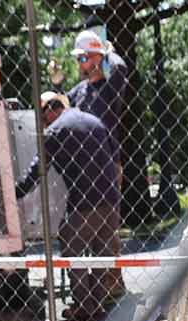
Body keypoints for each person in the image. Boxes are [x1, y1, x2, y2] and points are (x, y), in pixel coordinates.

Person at [16, 93, 123, 321]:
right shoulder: (96, 121)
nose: (43, 123)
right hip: (111, 202)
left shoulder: (56, 131)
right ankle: (97, 304)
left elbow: (37, 170)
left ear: (48, 111)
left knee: (72, 246)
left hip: (84, 204)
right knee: (101, 254)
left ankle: (84, 306)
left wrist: (14, 193)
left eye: (42, 117)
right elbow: (116, 163)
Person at [66, 27, 132, 219]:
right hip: (80, 166)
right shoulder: (78, 91)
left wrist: (107, 52)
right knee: (81, 226)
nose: (80, 64)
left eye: (84, 58)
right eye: (78, 59)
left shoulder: (110, 89)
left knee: (105, 226)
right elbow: (59, 108)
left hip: (106, 165)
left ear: (98, 59)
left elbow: (120, 68)